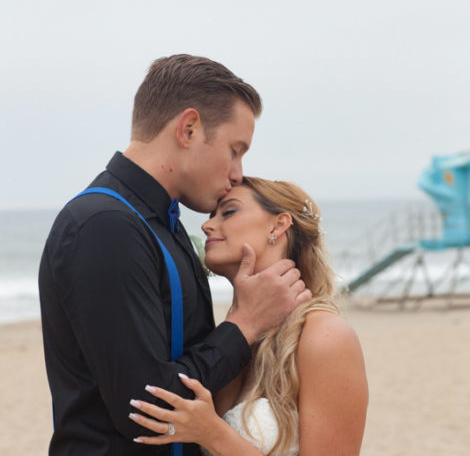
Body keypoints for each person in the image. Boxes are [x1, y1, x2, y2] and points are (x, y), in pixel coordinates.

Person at [38, 55, 311, 456]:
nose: (237, 173)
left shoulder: (163, 225)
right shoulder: (104, 225)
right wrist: (245, 323)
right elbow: (147, 408)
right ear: (188, 129)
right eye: (235, 150)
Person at [127, 177, 369, 455]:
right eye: (211, 215)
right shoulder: (232, 336)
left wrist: (212, 433)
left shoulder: (325, 336)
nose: (207, 225)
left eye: (228, 212)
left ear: (278, 225)